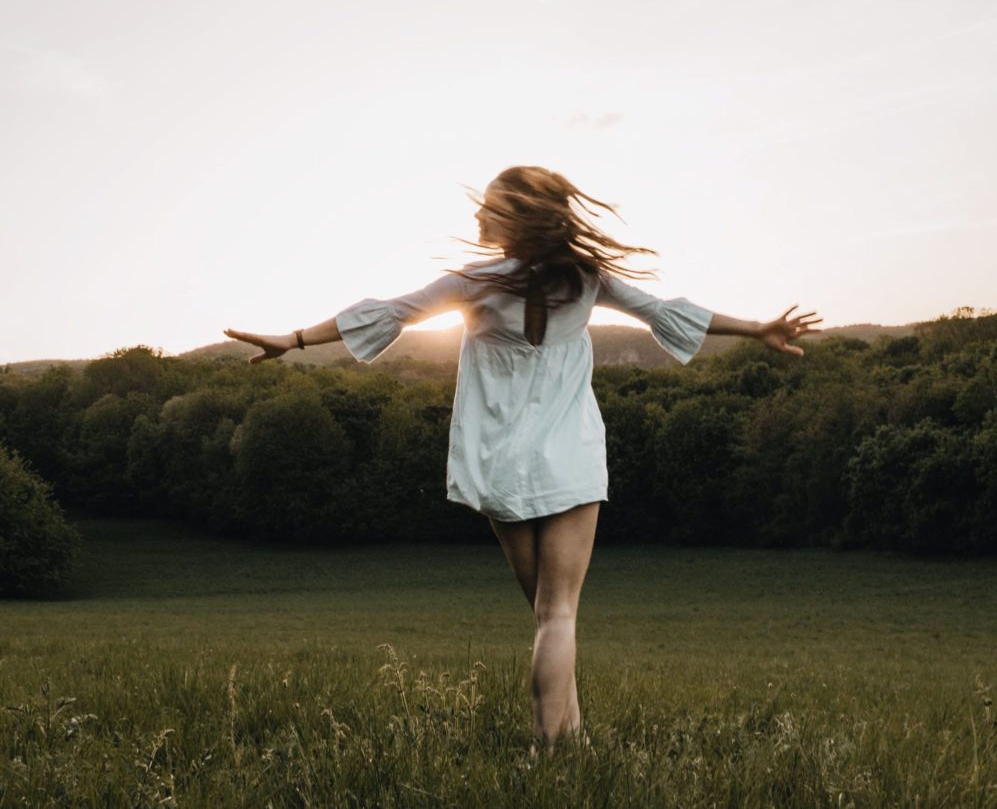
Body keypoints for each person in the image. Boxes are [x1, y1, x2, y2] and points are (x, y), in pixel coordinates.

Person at [223, 165, 822, 757]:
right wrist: (757, 328)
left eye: (490, 205)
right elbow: (667, 311)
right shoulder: (586, 278)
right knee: (557, 613)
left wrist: (295, 339)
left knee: (547, 614)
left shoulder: (471, 281)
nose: (479, 215)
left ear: (517, 215)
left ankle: (564, 745)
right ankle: (553, 748)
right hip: (570, 455)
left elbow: (387, 312)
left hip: (498, 458)